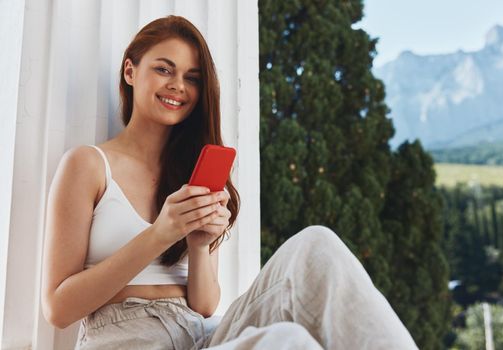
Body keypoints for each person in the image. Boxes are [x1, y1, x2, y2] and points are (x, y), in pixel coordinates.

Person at [41, 15, 418, 350]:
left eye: (192, 78)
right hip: (124, 338)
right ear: (130, 71)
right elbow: (58, 309)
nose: (178, 86)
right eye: (164, 69)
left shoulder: (193, 171)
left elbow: (204, 305)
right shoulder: (88, 164)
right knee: (288, 342)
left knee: (315, 246)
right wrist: (159, 234)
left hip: (199, 333)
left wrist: (199, 245)